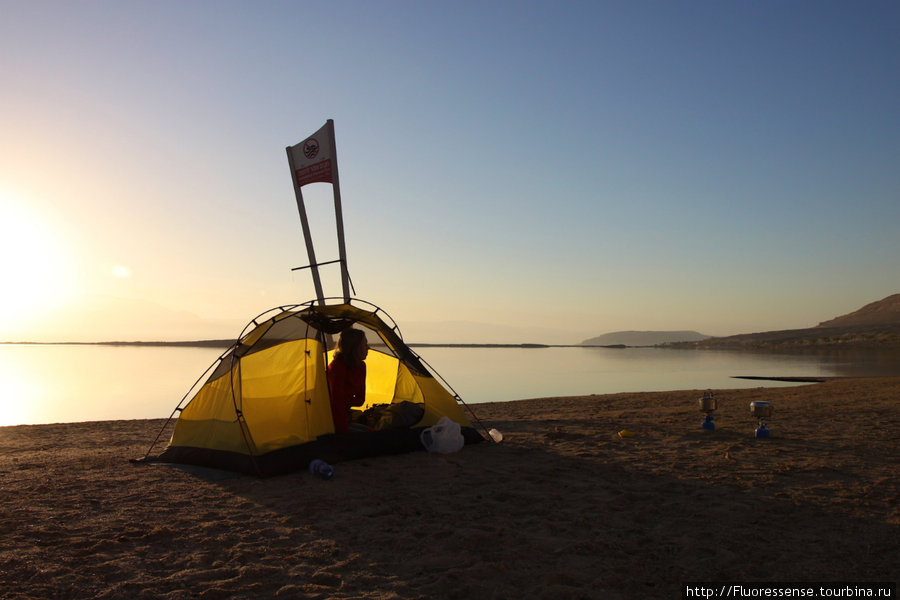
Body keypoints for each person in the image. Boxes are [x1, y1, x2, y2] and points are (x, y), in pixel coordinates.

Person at [326, 328, 369, 434]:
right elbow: (336, 404)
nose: (368, 348)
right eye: (365, 345)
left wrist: (346, 401)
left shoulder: (361, 366)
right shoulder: (336, 367)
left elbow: (360, 400)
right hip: (330, 418)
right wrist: (344, 432)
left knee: (374, 433)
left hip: (345, 414)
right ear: (355, 348)